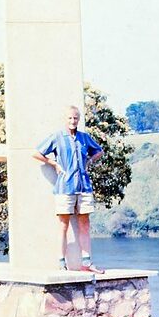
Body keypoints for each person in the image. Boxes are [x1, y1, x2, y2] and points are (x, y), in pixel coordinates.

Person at [33, 105, 105, 273]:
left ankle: (86, 263)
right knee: (63, 225)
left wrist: (89, 161)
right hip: (65, 187)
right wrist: (54, 163)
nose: (73, 121)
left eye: (75, 118)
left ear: (78, 119)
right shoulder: (57, 137)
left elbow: (99, 151)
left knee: (85, 224)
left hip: (84, 186)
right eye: (70, 118)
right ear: (65, 119)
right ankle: (61, 262)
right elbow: (37, 153)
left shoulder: (84, 137)